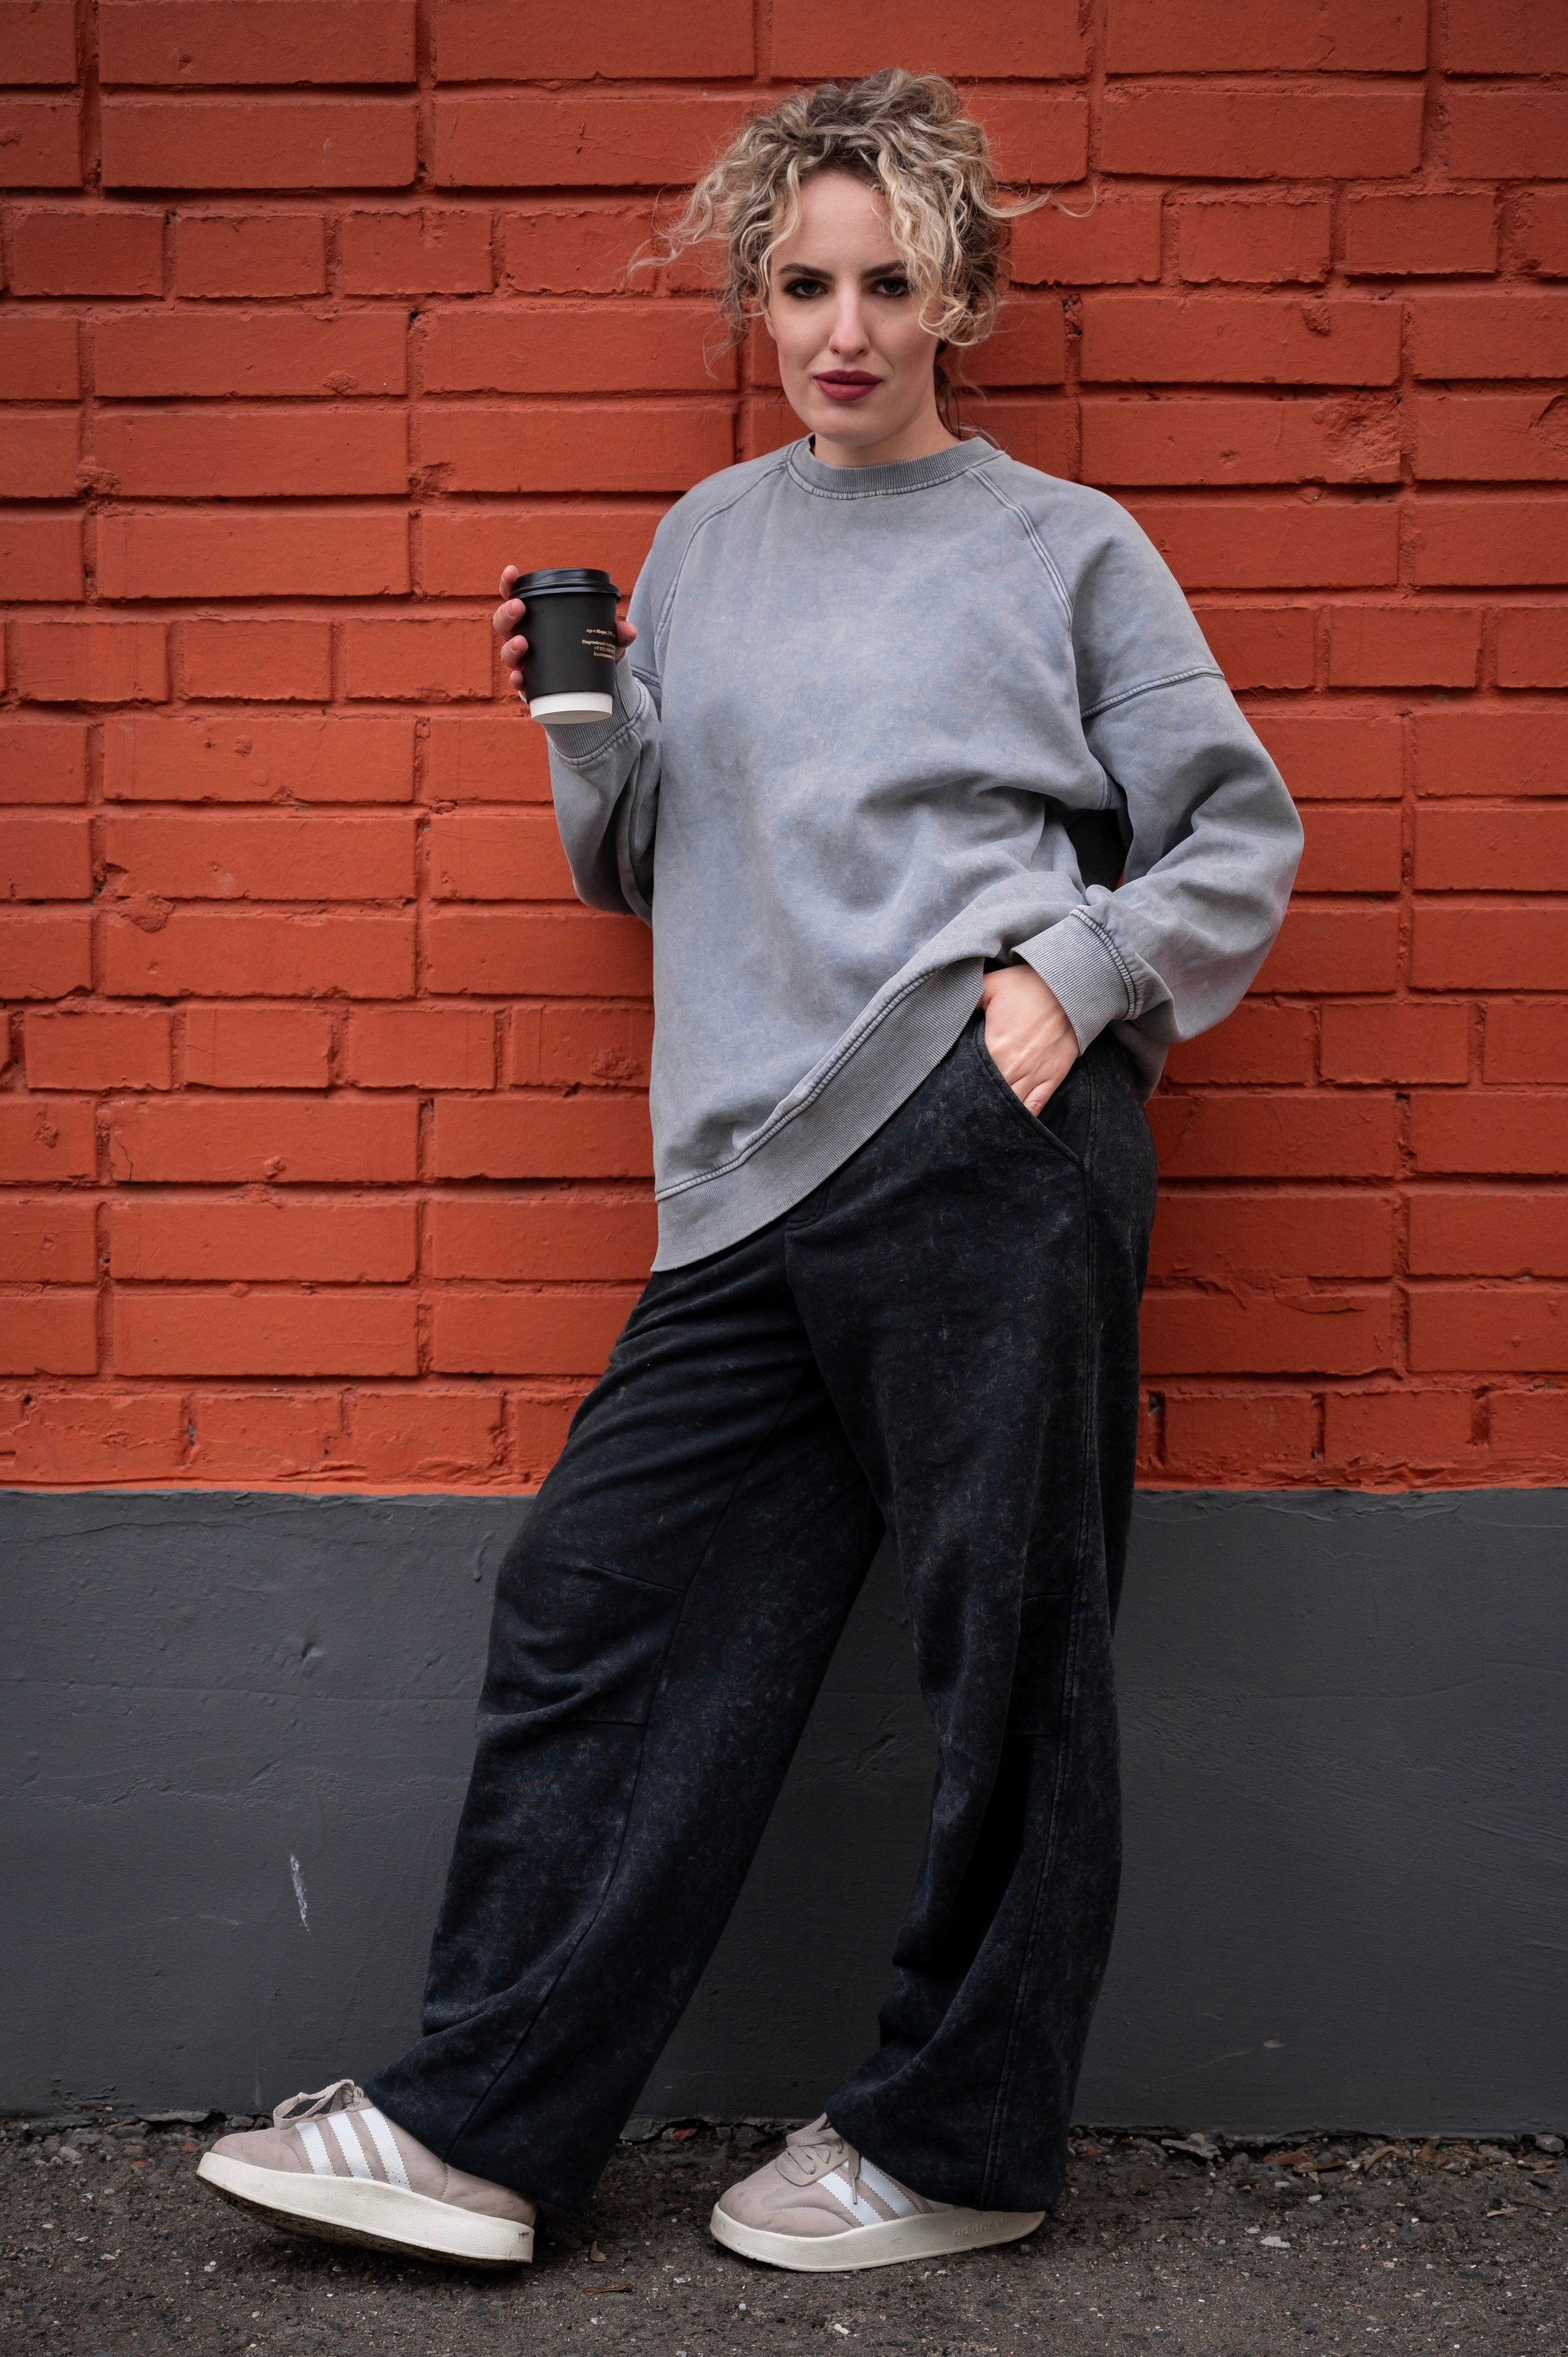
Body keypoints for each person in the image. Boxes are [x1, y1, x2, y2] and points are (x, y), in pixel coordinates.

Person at [198, 69, 1302, 2277]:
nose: (845, 331)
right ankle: (483, 2133)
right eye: (804, 286)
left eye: (891, 284)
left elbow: (1233, 834)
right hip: (746, 1185)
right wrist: (585, 728)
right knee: (592, 1597)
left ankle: (957, 2143)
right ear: (757, 298)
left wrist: (1068, 983)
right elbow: (640, 870)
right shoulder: (705, 540)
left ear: (959, 293)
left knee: (1009, 1661)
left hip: (979, 1138)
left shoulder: (1061, 544)